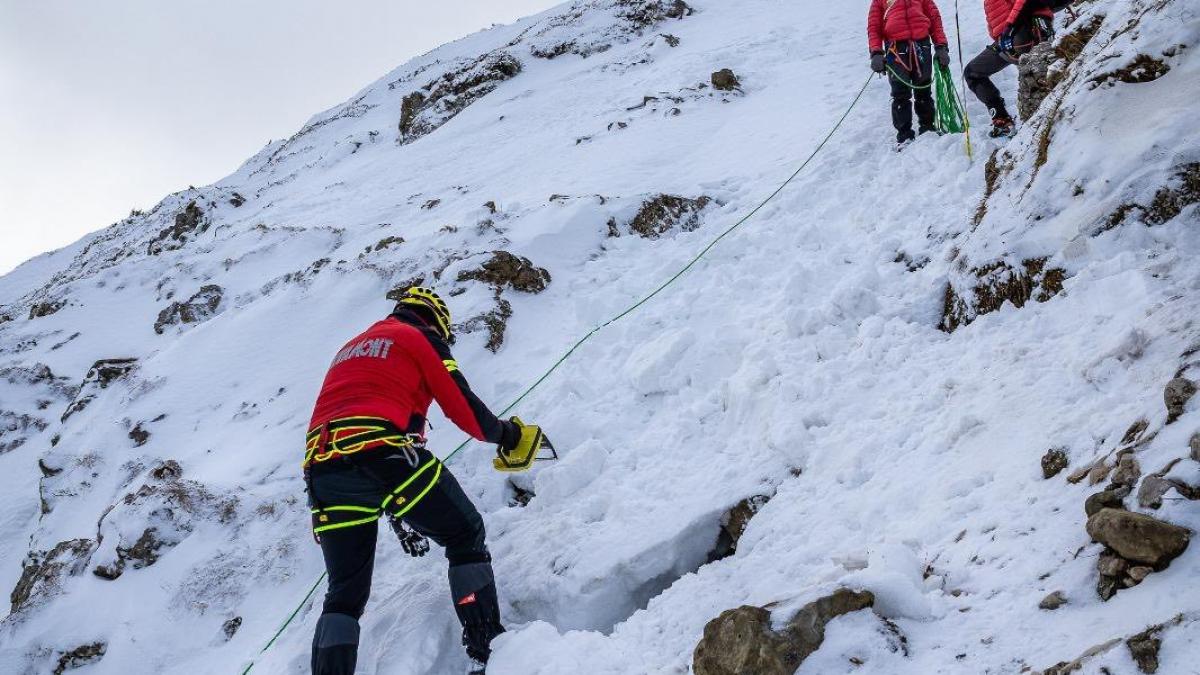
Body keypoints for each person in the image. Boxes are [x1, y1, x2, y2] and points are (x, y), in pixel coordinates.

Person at [304, 287, 549, 675]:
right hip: (382, 451)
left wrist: (399, 514)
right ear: (435, 320)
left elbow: (362, 428)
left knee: (344, 597)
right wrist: (508, 435)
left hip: (323, 470)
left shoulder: (350, 348)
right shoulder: (418, 337)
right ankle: (489, 651)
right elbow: (460, 405)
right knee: (465, 534)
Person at [964, 0, 1073, 137]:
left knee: (1039, 81)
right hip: (1007, 39)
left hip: (1023, 30)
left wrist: (1010, 28)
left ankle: (1049, 128)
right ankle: (1002, 119)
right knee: (973, 72)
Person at [868, 0, 952, 146]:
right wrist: (876, 52)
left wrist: (941, 46)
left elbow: (934, 19)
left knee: (924, 90)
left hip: (922, 44)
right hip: (895, 49)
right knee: (900, 93)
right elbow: (874, 26)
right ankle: (904, 134)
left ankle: (928, 127)